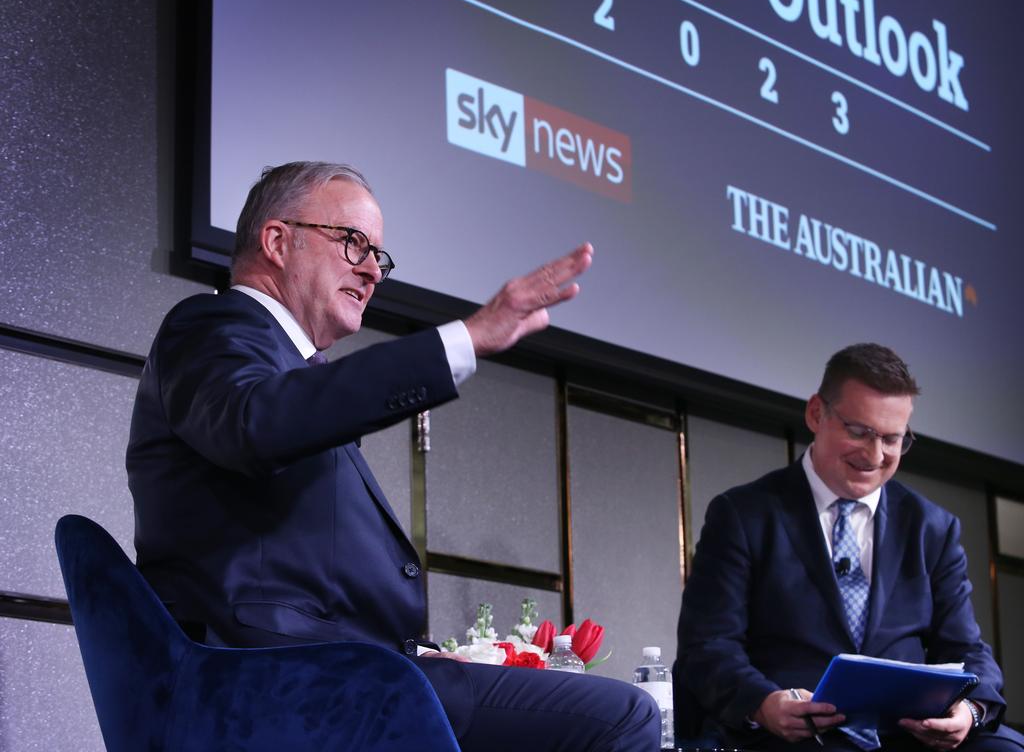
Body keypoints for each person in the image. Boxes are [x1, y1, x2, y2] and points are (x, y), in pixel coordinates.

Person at [127, 161, 659, 751]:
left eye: (378, 255)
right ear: (277, 242)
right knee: (624, 718)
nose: (370, 270)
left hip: (344, 670)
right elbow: (255, 425)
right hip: (284, 680)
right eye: (352, 242)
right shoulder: (212, 326)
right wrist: (466, 337)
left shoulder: (289, 371)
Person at [674, 343, 1023, 752]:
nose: (875, 455)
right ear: (816, 414)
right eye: (859, 432)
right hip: (798, 736)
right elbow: (709, 645)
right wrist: (765, 704)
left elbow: (965, 648)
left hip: (906, 734)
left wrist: (969, 710)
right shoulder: (743, 514)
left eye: (893, 440)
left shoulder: (932, 527)